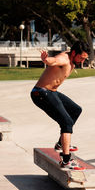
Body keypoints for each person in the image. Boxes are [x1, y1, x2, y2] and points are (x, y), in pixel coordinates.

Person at [30, 41, 89, 170]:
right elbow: (54, 61)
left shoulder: (72, 59)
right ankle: (66, 160)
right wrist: (46, 59)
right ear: (74, 53)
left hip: (51, 92)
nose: (82, 61)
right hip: (41, 93)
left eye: (85, 59)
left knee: (75, 110)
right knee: (67, 122)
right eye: (81, 58)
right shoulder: (64, 58)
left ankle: (60, 144)